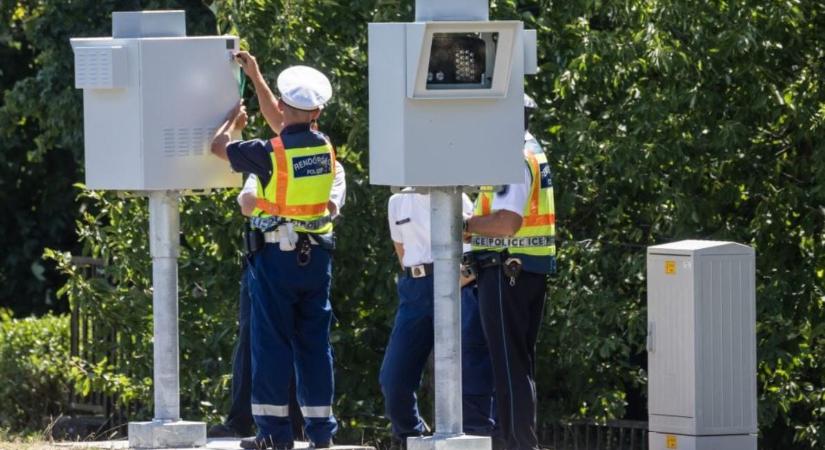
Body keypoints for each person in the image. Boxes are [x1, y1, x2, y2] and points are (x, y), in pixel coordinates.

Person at [210, 55, 340, 449]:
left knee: (271, 345)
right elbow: (283, 124)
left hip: (275, 258)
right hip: (315, 258)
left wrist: (233, 121)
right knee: (315, 347)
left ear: (285, 108)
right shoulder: (325, 149)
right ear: (317, 112)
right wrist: (256, 76)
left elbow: (219, 147)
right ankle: (321, 435)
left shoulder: (268, 153)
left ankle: (272, 435)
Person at [208, 159, 346, 440]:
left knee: (302, 342)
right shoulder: (268, 159)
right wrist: (295, 206)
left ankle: (296, 428)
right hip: (263, 258)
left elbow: (330, 208)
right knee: (252, 340)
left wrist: (275, 205)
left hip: (306, 256)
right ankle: (244, 421)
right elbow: (246, 202)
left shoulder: (329, 164)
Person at [463, 94, 557, 450]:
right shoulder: (532, 150)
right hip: (524, 270)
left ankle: (516, 444)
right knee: (518, 364)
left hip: (506, 271)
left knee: (508, 367)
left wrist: (464, 226)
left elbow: (506, 222)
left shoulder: (511, 157)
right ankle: (517, 441)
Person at [380, 189, 495, 449]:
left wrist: (452, 285)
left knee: (469, 374)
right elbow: (402, 253)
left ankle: (475, 436)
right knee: (393, 378)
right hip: (415, 290)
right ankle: (412, 437)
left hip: (457, 287)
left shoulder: (456, 198)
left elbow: (473, 252)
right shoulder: (397, 202)